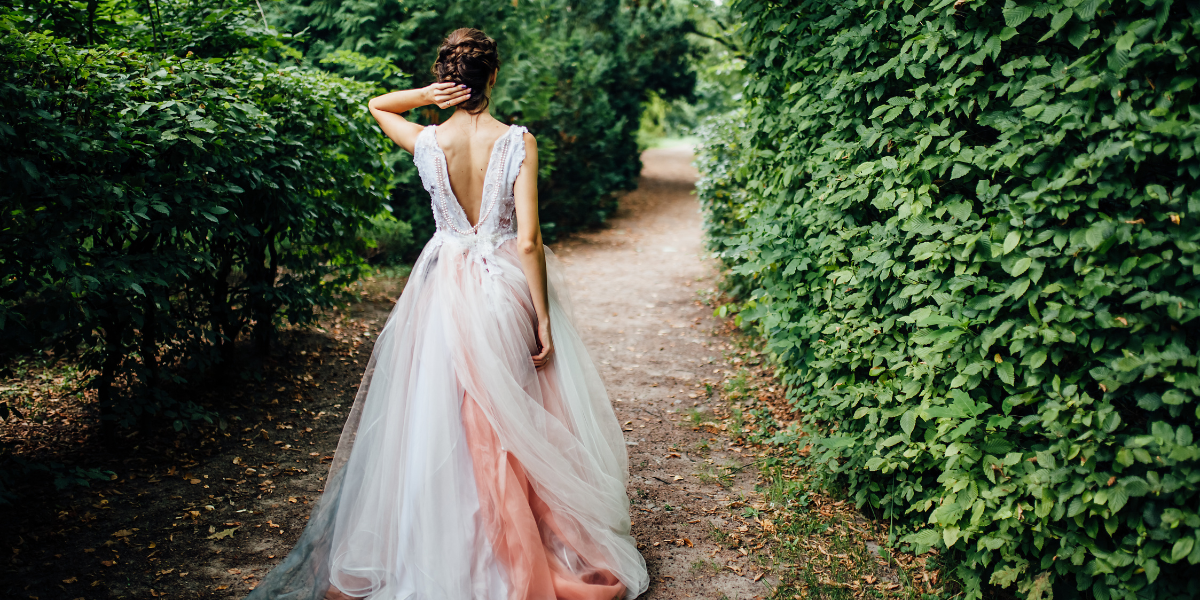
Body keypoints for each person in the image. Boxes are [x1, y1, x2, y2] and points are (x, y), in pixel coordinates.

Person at [243, 28, 649, 600]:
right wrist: (543, 316)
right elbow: (529, 240)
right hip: (502, 286)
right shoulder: (518, 141)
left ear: (450, 81)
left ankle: (445, 541)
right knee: (510, 413)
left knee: (444, 413)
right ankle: (514, 539)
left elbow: (376, 105)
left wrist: (427, 96)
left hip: (442, 285)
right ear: (495, 76)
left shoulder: (427, 143)